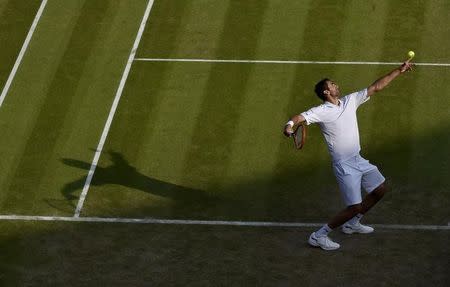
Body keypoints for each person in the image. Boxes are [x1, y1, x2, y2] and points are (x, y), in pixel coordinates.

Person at [283, 61, 414, 250]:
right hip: (344, 165)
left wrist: (399, 71)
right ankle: (318, 236)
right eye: (332, 84)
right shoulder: (320, 111)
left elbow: (376, 87)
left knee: (380, 190)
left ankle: (352, 224)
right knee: (354, 206)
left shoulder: (350, 100)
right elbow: (299, 118)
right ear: (326, 92)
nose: (336, 85)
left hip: (358, 159)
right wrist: (289, 126)